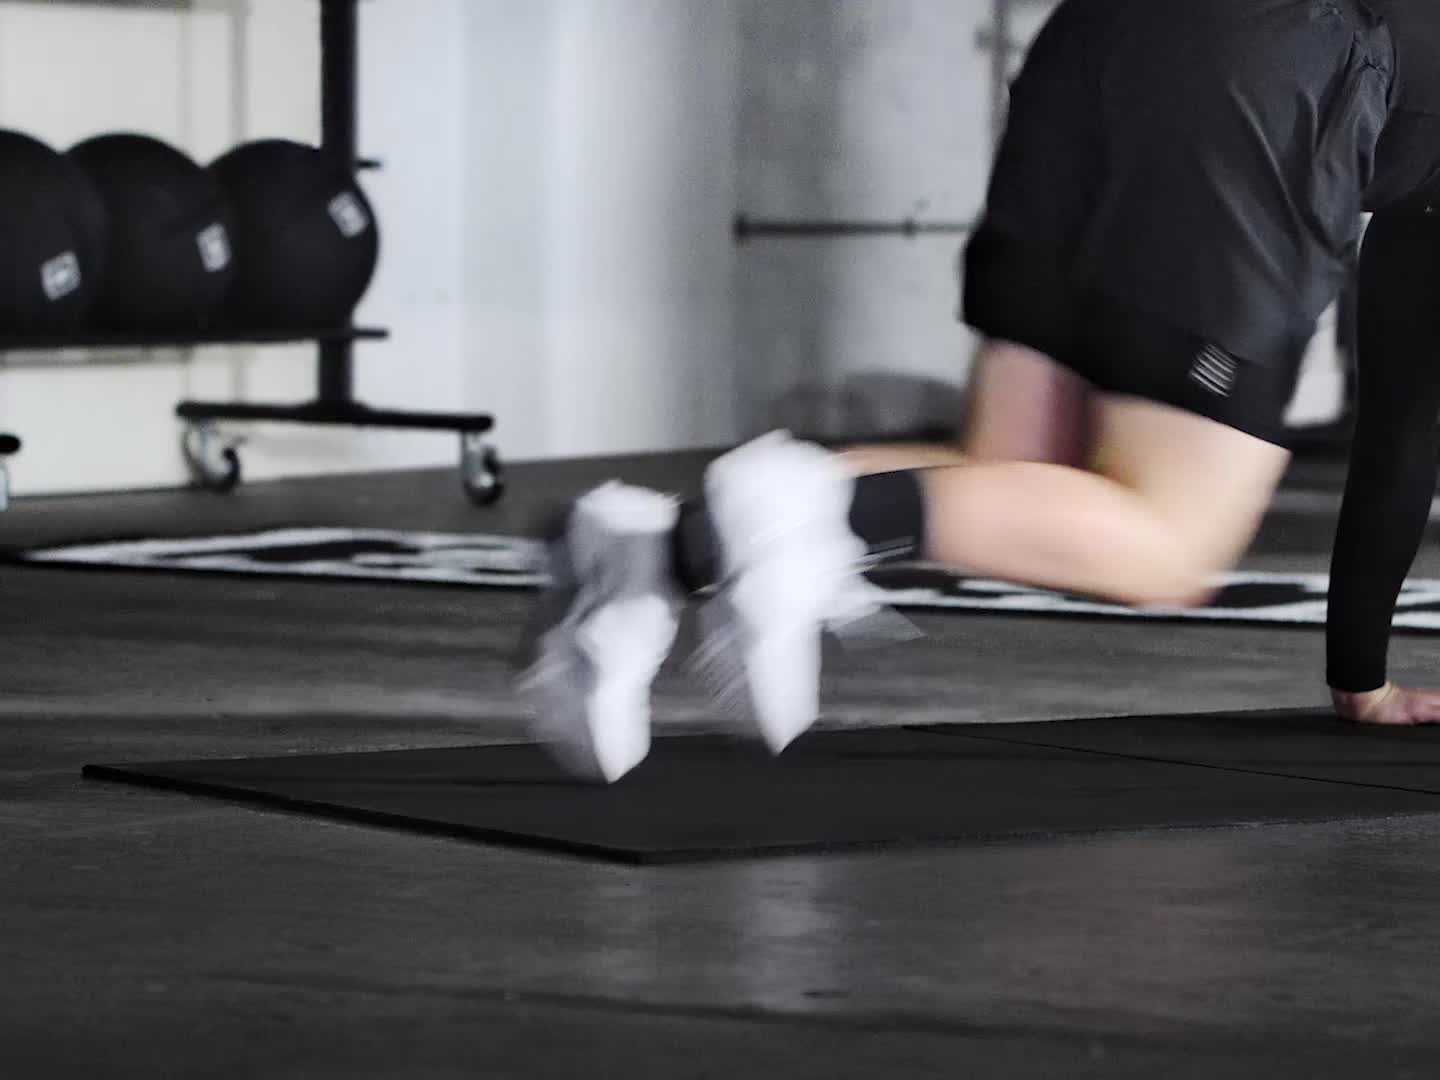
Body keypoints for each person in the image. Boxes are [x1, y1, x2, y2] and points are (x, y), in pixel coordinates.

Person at [519, 0, 1440, 782]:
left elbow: (1407, 412)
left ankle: (653, 551)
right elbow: (1408, 420)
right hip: (1274, 69)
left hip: (1108, 36)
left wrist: (1362, 679)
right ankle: (805, 520)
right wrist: (1363, 677)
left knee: (1011, 475)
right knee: (1170, 538)